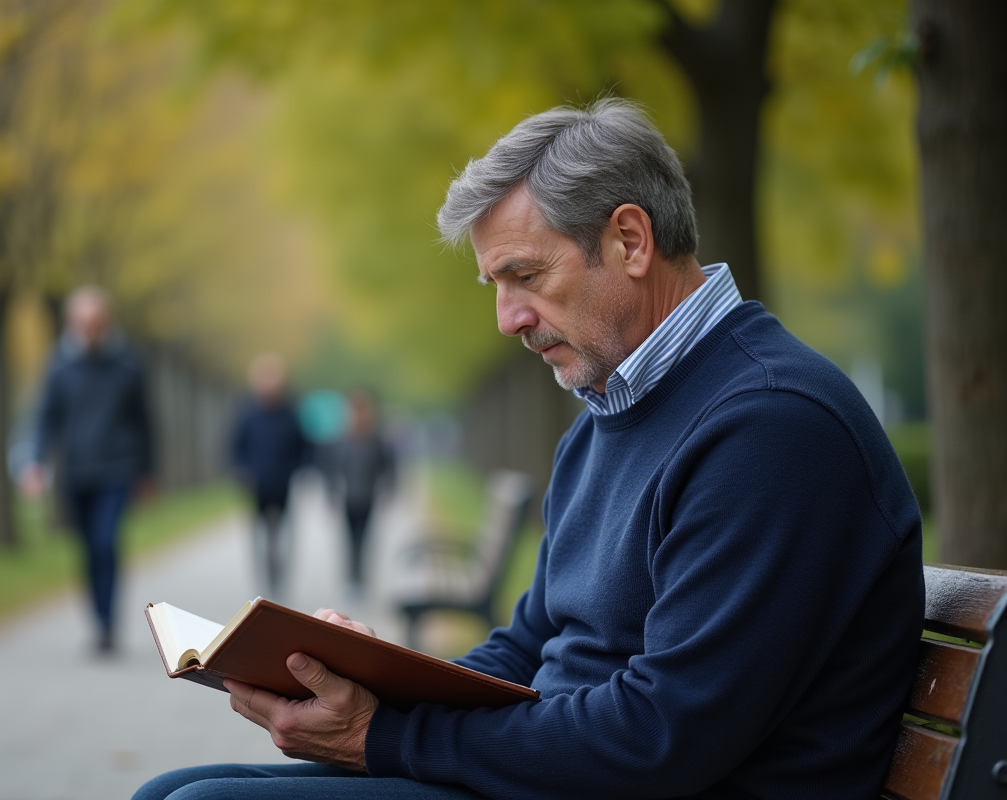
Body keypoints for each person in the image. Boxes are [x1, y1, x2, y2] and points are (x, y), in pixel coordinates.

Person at [134, 98, 924, 799]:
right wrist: (376, 691)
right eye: (495, 287)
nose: (509, 319)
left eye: (525, 276)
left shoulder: (771, 428)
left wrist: (386, 737)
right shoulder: (609, 414)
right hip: (573, 775)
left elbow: (661, 740)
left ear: (629, 240)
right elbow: (530, 645)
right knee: (175, 786)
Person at [22, 286, 154, 655]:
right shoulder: (60, 365)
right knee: (86, 548)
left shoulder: (129, 365)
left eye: (96, 324)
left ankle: (108, 624)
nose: (90, 331)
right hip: (77, 471)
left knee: (106, 542)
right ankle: (98, 618)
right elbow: (46, 419)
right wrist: (35, 462)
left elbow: (145, 421)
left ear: (106, 323)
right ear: (73, 325)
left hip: (117, 468)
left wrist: (146, 472)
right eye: (83, 324)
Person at [229, 353, 309, 596]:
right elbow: (235, 447)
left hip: (283, 485)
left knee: (282, 536)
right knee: (260, 538)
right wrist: (242, 470)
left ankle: (279, 577)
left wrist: (297, 470)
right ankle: (265, 578)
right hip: (257, 486)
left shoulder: (290, 414)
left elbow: (303, 447)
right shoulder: (247, 414)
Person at [331, 389, 395, 595]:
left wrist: (388, 491)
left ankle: (361, 579)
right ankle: (351, 579)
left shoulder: (376, 441)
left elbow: (388, 468)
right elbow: (334, 469)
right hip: (348, 499)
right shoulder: (344, 440)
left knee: (364, 541)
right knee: (349, 541)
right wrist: (332, 492)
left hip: (367, 498)